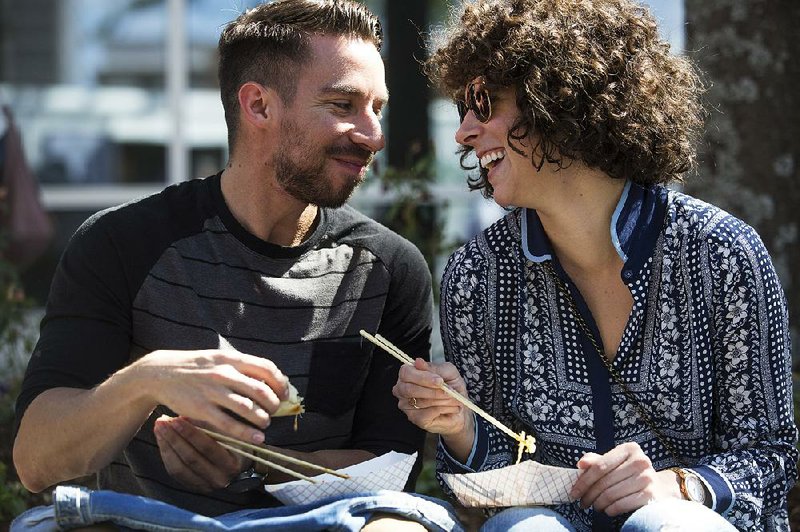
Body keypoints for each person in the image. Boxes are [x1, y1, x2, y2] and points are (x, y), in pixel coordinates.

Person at [12, 1, 462, 530]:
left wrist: (250, 468)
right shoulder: (121, 244)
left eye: (377, 108)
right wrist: (149, 380)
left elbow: (390, 470)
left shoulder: (389, 267)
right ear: (259, 106)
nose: (373, 135)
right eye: (343, 104)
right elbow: (36, 461)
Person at [392, 0, 798, 530]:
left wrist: (678, 486)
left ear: (558, 100)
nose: (463, 132)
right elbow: (480, 488)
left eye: (484, 102)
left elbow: (770, 452)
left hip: (690, 520)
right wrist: (460, 426)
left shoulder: (720, 252)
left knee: (665, 523)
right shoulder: (477, 274)